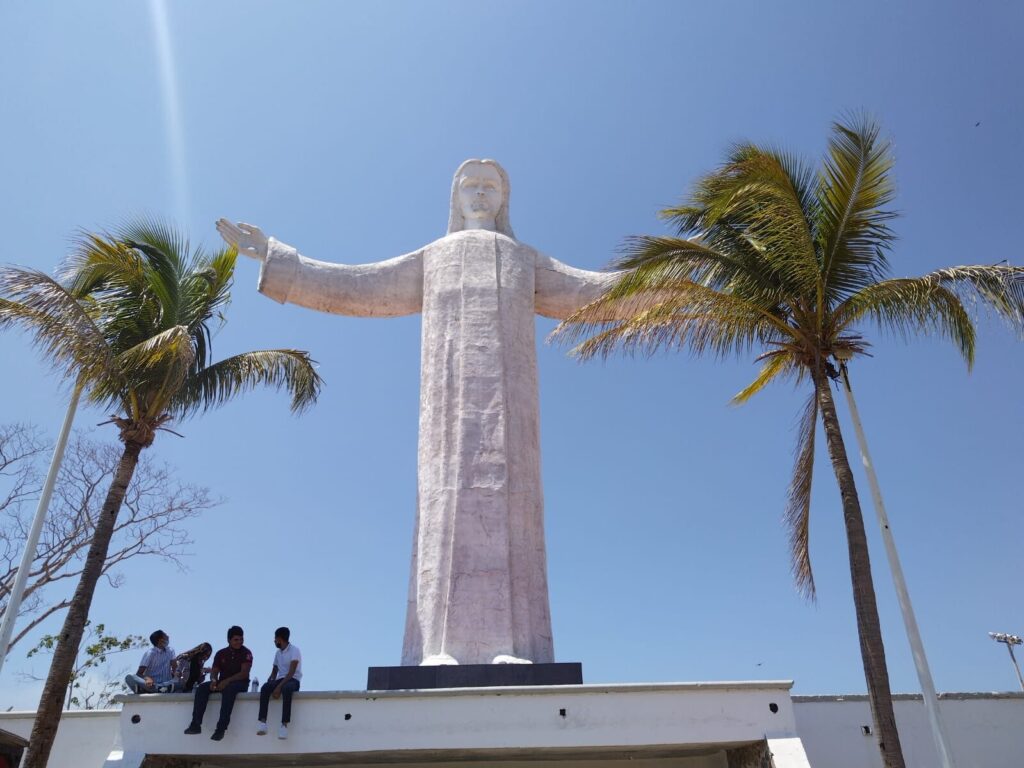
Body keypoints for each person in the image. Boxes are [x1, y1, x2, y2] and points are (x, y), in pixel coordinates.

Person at [217, 159, 625, 666]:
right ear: (453, 197)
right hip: (444, 420)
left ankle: (514, 650)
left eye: (489, 187)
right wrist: (277, 259)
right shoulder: (436, 255)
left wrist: (672, 274)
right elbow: (360, 285)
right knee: (442, 514)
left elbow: (597, 292)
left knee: (514, 519)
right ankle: (436, 650)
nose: (479, 194)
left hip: (513, 424)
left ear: (505, 199)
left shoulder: (524, 259)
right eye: (469, 186)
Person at [184, 626, 252, 741]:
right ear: (229, 640)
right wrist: (214, 681)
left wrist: (226, 681)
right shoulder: (221, 653)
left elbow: (244, 673)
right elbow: (215, 671)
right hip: (222, 682)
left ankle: (221, 729)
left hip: (239, 683)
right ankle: (195, 724)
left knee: (229, 690)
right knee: (202, 688)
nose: (239, 642)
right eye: (236, 640)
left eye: (241, 639)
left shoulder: (246, 653)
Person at [256, 627, 302, 739]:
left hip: (293, 680)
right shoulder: (277, 653)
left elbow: (291, 673)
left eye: (275, 638)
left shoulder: (295, 650)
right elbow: (274, 671)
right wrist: (271, 682)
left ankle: (284, 725)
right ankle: (263, 723)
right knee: (265, 688)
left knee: (286, 689)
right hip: (280, 679)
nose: (274, 641)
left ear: (280, 639)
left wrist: (278, 688)